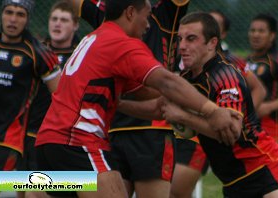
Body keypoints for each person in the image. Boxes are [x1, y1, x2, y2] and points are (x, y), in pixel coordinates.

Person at [35, 1, 241, 198]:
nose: (148, 23)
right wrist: (212, 110)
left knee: (20, 184)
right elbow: (166, 82)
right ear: (131, 13)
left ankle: (11, 181)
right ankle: (8, 181)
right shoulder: (122, 43)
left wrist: (178, 104)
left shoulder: (95, 37)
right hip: (78, 142)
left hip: (51, 143)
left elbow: (144, 93)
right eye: (146, 15)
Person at [68, 0, 193, 197]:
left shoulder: (164, 13)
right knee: (34, 184)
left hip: (150, 131)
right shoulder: (110, 16)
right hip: (109, 131)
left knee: (34, 184)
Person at [162, 11, 278, 198]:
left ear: (215, 40)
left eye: (191, 39)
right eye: (180, 39)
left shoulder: (227, 71)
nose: (182, 46)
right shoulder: (186, 78)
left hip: (264, 166)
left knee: (178, 191)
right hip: (233, 179)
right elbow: (160, 107)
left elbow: (233, 130)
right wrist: (119, 103)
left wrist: (184, 117)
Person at [0, 0, 61, 197]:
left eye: (20, 14)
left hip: (6, 138)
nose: (13, 19)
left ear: (28, 19)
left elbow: (62, 95)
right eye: (9, 12)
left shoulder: (38, 53)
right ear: (2, 14)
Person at [16, 1, 79, 198]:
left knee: (42, 191)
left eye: (64, 20)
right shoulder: (36, 53)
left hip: (66, 138)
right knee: (24, 189)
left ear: (75, 25)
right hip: (31, 133)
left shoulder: (80, 54)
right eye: (54, 19)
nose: (57, 24)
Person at [246, 13, 278, 152]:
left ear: (272, 35)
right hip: (249, 131)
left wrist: (270, 106)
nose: (256, 35)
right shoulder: (246, 61)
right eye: (253, 30)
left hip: (274, 133)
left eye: (261, 31)